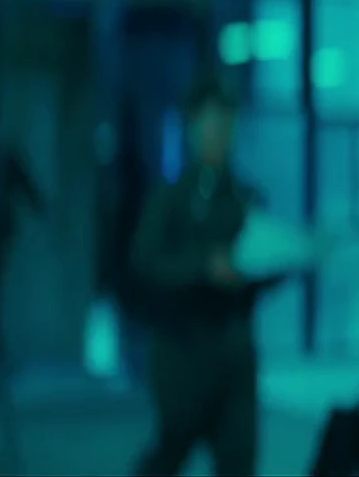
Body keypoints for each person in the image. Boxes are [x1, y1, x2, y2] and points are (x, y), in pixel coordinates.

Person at [129, 80, 274, 476]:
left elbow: (264, 265)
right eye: (212, 126)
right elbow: (147, 263)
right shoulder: (170, 198)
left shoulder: (247, 198)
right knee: (170, 450)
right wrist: (204, 267)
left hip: (235, 352)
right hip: (183, 350)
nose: (221, 137)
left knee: (239, 459)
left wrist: (272, 263)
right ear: (193, 129)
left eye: (227, 126)